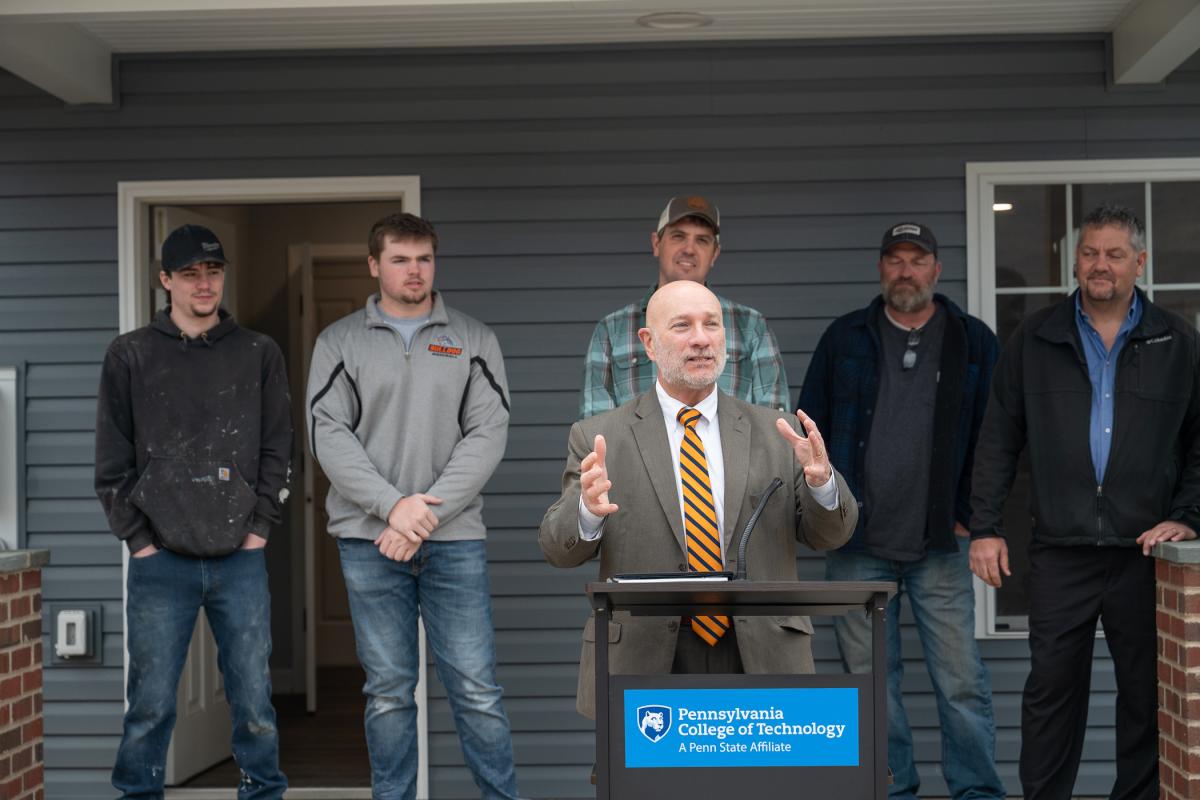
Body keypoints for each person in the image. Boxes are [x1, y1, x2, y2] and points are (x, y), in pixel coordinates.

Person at [541, 279, 857, 719]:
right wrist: (586, 513)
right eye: (682, 326)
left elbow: (831, 535)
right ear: (649, 344)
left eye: (712, 325)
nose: (701, 339)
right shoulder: (601, 436)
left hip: (759, 657)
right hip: (646, 660)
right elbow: (558, 548)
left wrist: (823, 482)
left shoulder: (779, 432)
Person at [969, 203, 1200, 800]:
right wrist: (987, 526)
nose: (1101, 265)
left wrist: (1185, 517)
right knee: (1051, 696)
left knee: (1146, 698)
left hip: (1144, 553)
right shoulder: (1036, 337)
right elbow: (998, 436)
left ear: (1139, 262)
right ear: (1076, 259)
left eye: (1115, 254)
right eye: (1091, 252)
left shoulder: (1178, 341)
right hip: (1061, 552)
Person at [306, 212, 520, 800]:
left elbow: (487, 434)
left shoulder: (473, 339)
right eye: (399, 259)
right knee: (389, 693)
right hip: (369, 544)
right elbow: (329, 435)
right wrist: (392, 507)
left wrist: (423, 515)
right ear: (374, 265)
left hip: (453, 543)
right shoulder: (340, 342)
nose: (414, 270)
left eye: (424, 258)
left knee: (476, 690)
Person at [798, 222, 1005, 800]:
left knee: (961, 683)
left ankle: (977, 793)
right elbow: (806, 429)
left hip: (942, 542)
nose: (906, 270)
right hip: (857, 545)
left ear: (937, 270)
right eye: (895, 259)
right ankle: (892, 791)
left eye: (918, 259)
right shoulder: (845, 339)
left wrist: (974, 514)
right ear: (881, 268)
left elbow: (998, 436)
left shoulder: (974, 339)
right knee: (869, 686)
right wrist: (824, 512)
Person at [95, 224, 292, 800]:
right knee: (150, 705)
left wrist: (258, 532)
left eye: (212, 271)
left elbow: (279, 452)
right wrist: (139, 542)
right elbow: (111, 465)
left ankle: (263, 794)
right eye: (189, 274)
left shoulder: (259, 353)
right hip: (161, 562)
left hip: (240, 560)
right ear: (165, 280)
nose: (203, 284)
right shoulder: (130, 355)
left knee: (254, 703)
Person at [578, 194, 789, 418]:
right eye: (678, 237)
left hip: (730, 454)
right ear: (656, 243)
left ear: (715, 253)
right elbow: (598, 428)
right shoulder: (612, 330)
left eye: (702, 240)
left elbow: (774, 426)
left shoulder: (750, 325)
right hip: (639, 454)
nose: (689, 249)